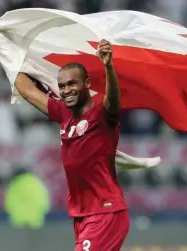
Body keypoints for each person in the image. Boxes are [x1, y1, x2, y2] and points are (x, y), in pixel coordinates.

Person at [13, 39, 129, 251]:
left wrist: (109, 66)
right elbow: (27, 90)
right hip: (81, 215)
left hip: (105, 212)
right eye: (62, 86)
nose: (66, 90)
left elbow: (113, 100)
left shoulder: (103, 114)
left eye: (72, 84)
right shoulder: (63, 114)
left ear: (87, 83)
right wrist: (7, 49)